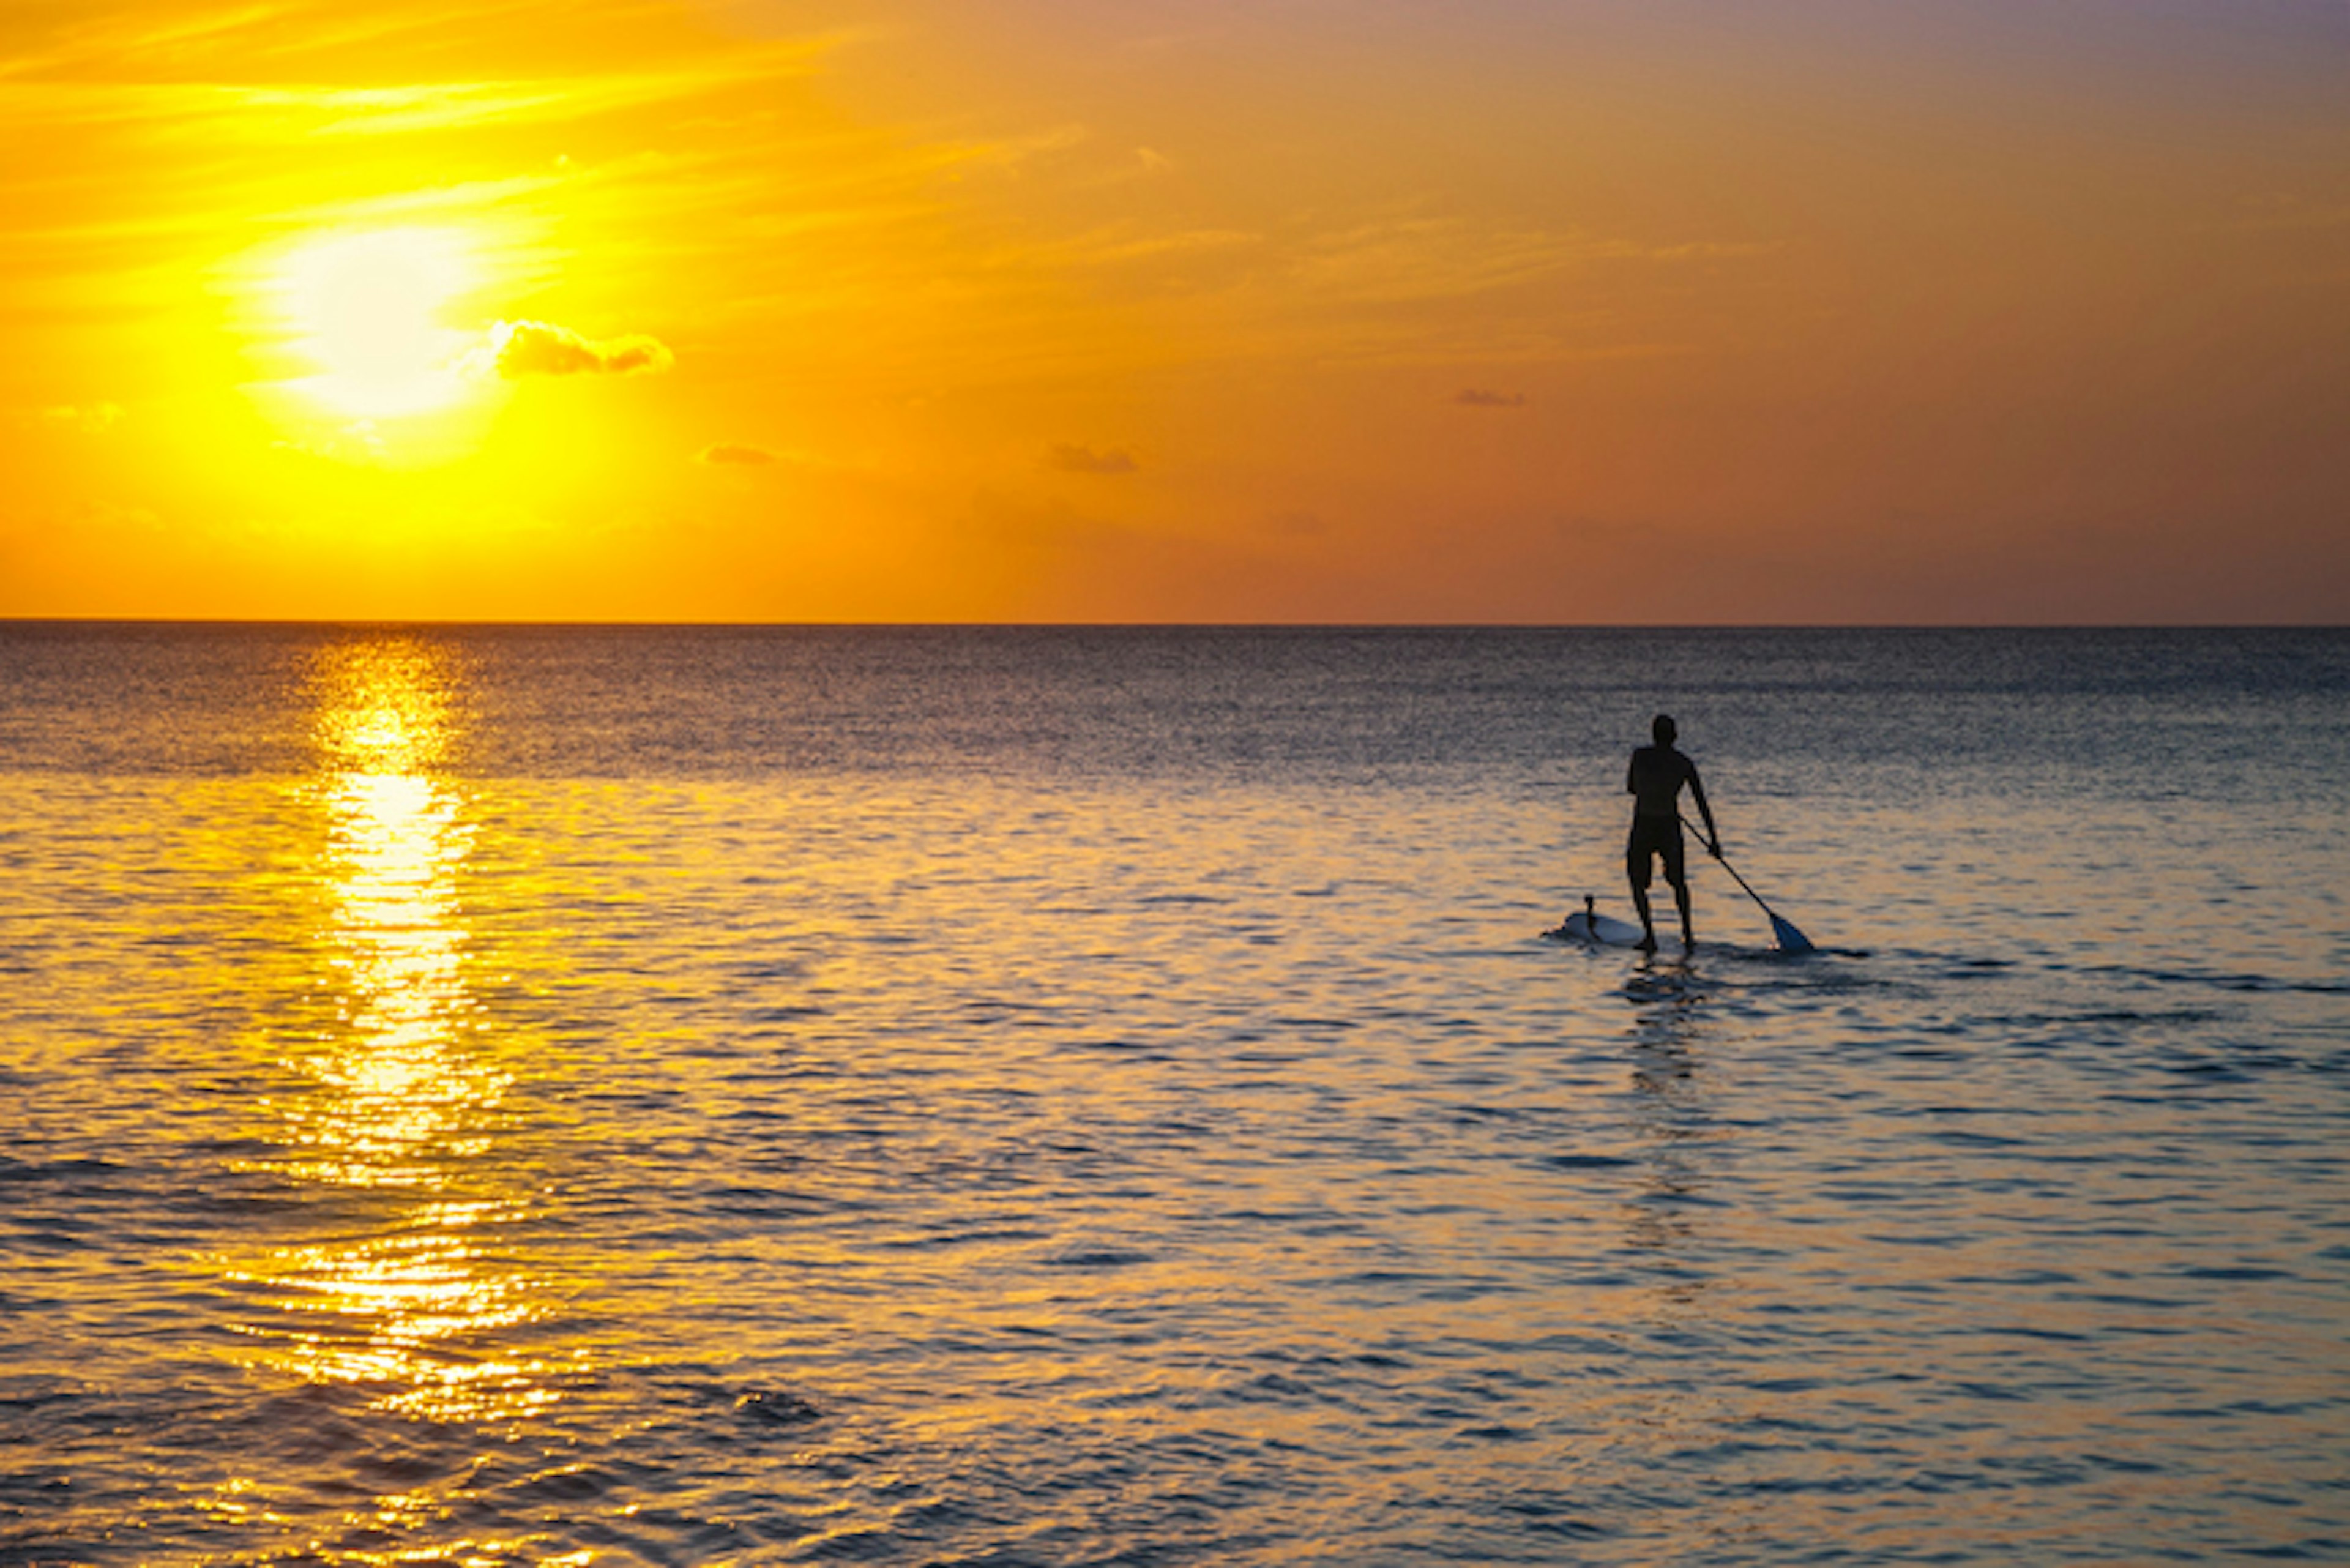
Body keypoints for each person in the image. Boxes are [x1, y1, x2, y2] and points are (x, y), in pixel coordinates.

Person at [1625, 714, 1719, 952]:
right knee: (1678, 883)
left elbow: (1631, 788)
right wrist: (1713, 840)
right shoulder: (1683, 763)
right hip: (1669, 825)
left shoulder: (1640, 756)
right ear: (1675, 736)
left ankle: (1650, 937)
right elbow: (1701, 803)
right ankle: (1687, 934)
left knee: (1638, 883)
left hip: (1645, 824)